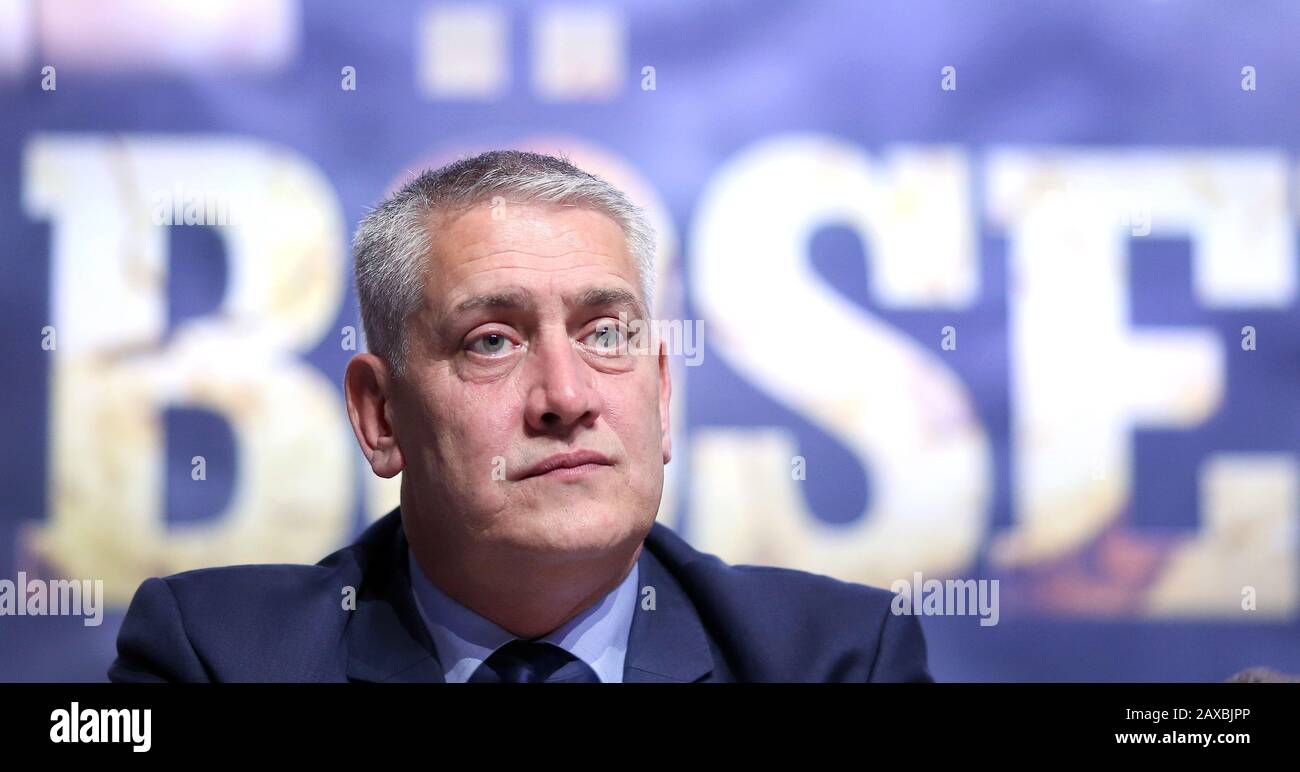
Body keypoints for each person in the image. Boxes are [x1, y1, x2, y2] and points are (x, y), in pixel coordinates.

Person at [108, 150, 934, 683]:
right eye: (492, 341)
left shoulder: (836, 660)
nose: (566, 398)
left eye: (605, 333)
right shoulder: (217, 658)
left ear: (662, 392)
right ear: (380, 415)